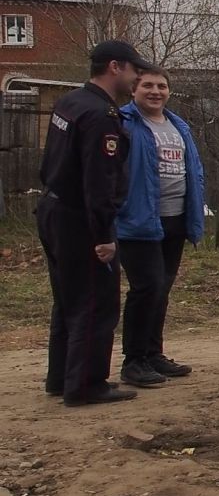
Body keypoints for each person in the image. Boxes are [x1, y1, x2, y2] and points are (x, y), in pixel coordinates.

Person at [38, 40, 147, 406]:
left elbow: (51, 159)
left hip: (53, 207)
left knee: (67, 300)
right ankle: (85, 384)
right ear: (115, 67)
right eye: (134, 70)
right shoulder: (102, 116)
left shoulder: (70, 102)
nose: (136, 78)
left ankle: (61, 376)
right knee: (95, 302)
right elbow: (99, 181)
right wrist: (104, 234)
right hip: (80, 218)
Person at [114, 67, 206, 388]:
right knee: (147, 286)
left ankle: (153, 354)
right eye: (148, 85)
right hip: (139, 220)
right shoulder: (123, 122)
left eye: (162, 86)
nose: (156, 91)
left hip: (175, 218)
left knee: (162, 288)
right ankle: (133, 360)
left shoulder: (177, 125)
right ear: (134, 90)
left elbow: (192, 169)